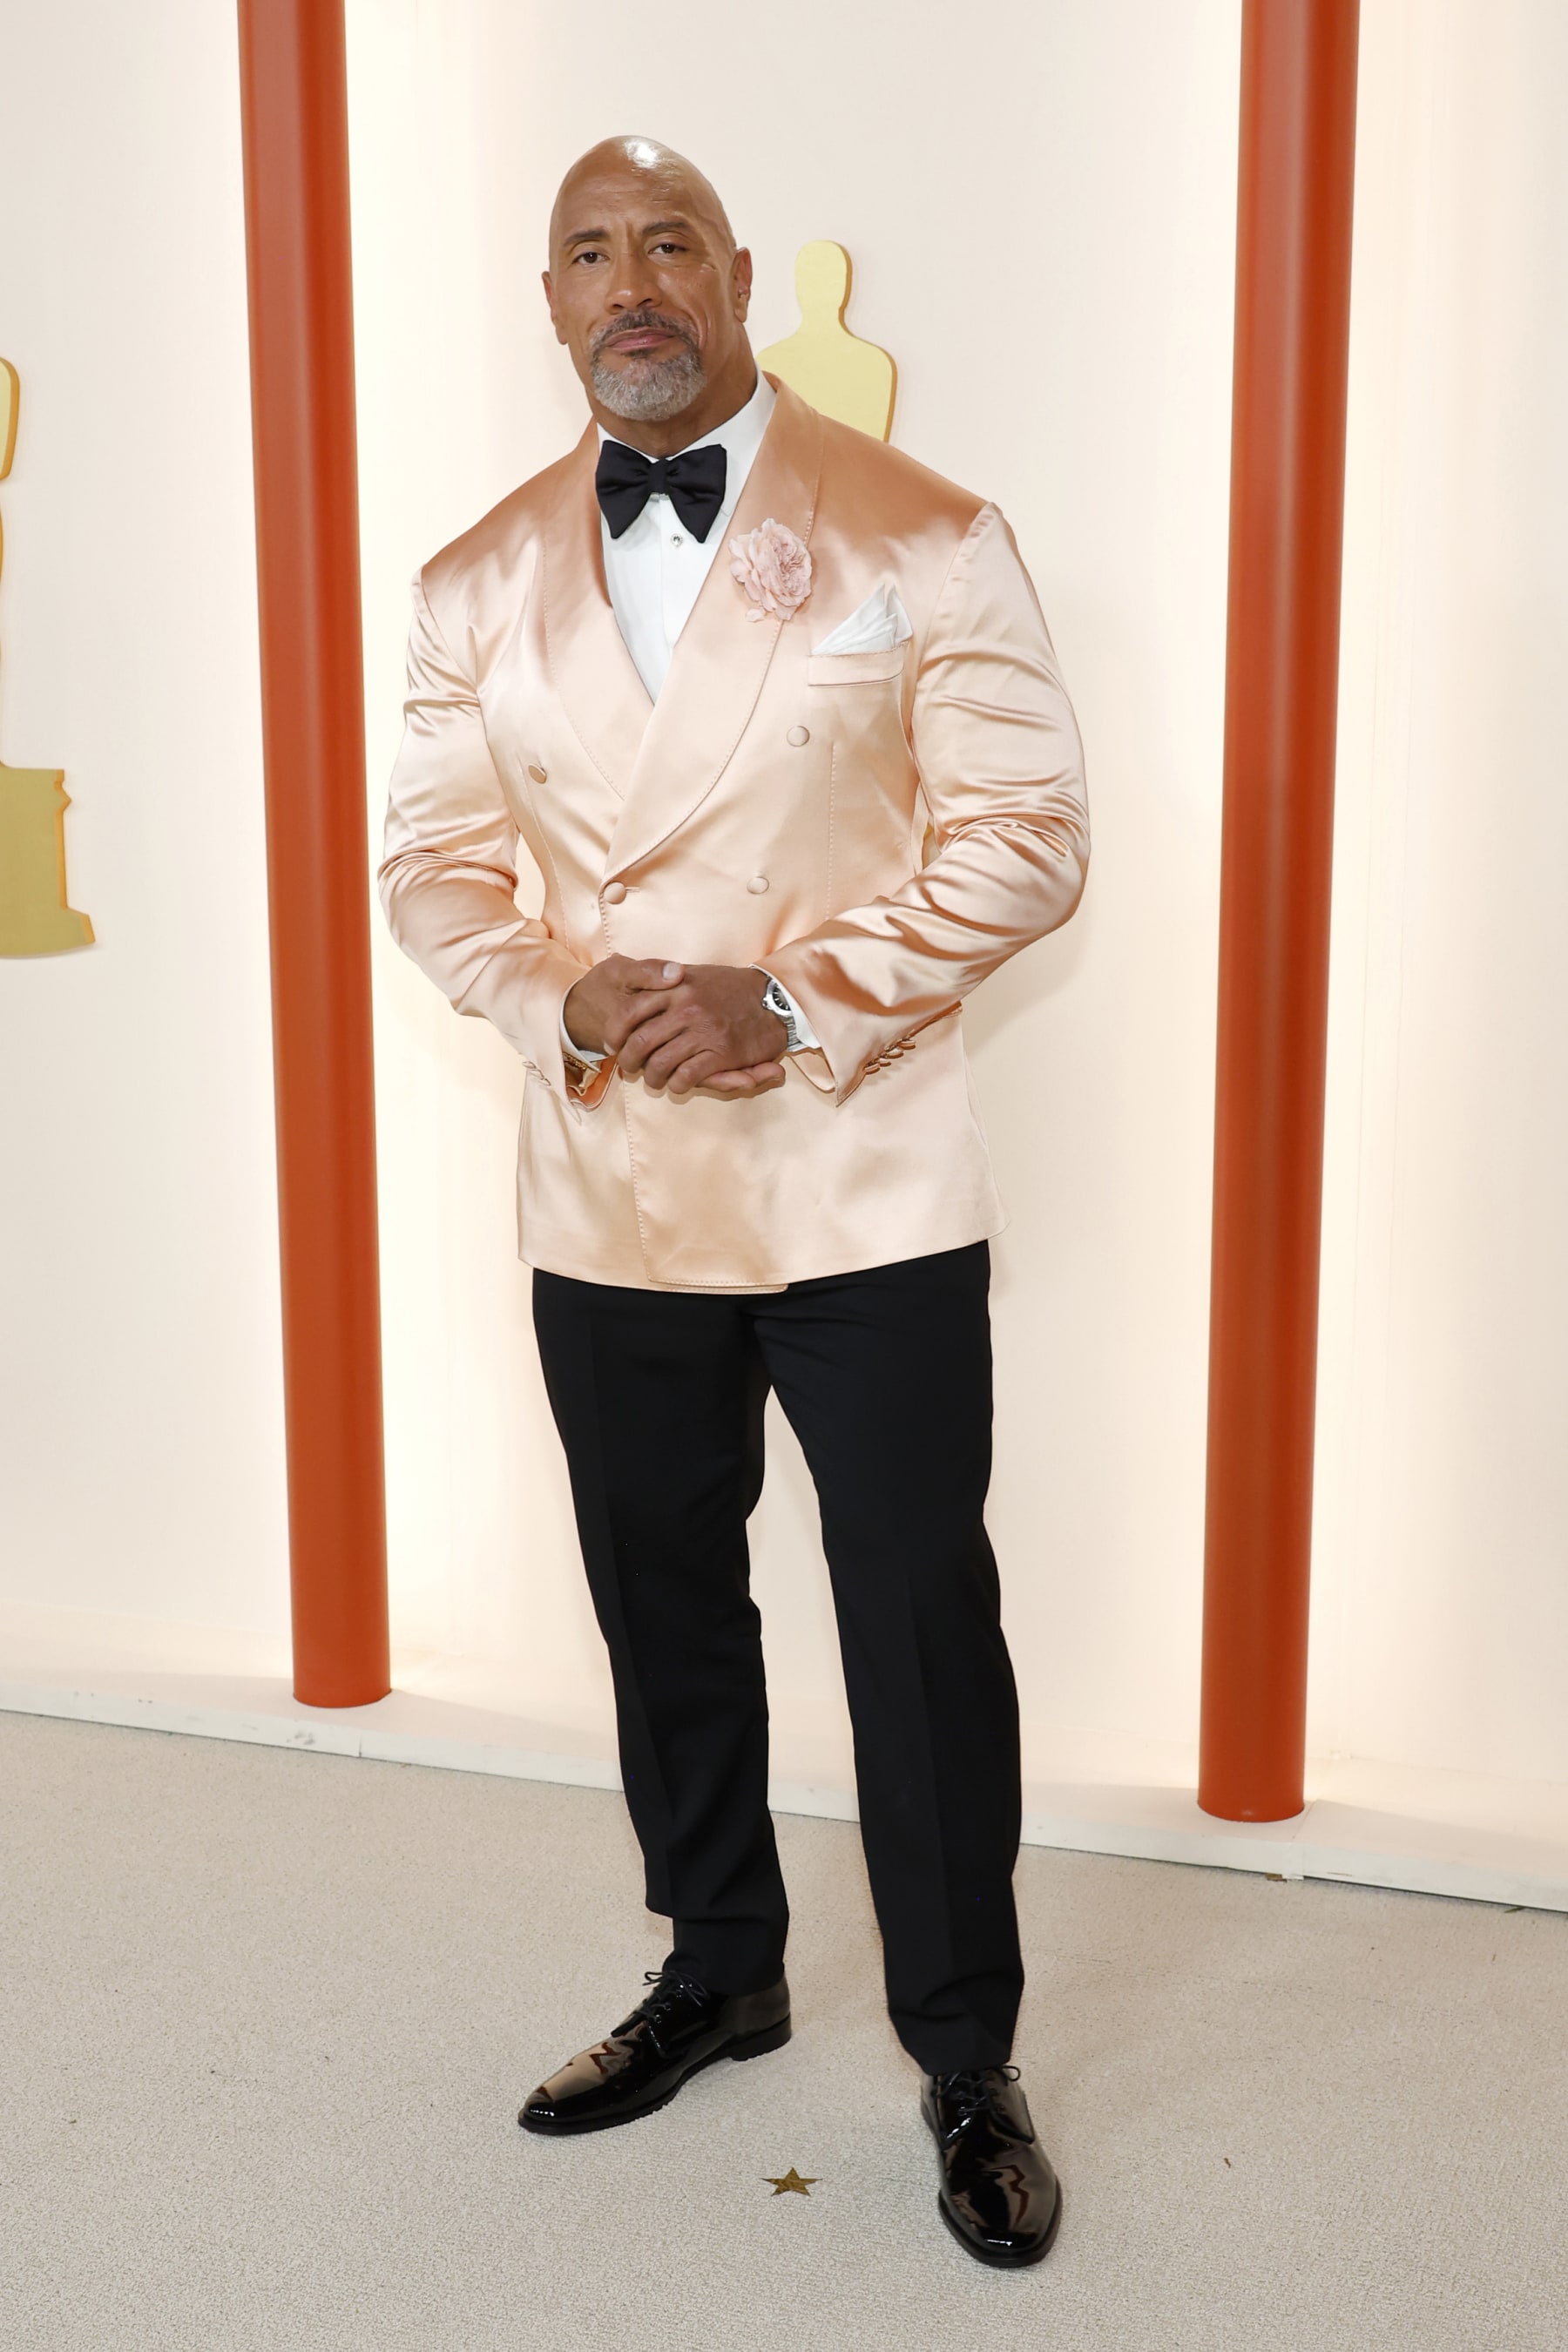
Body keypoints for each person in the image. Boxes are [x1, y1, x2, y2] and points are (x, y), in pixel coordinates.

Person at [380, 134, 1088, 2270]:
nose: (630, 284)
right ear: (551, 300)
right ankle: (721, 1963)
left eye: (665, 242)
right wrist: (561, 990)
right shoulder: (469, 579)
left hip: (865, 1181)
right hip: (609, 1187)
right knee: (661, 1602)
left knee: (915, 1624)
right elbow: (428, 869)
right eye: (588, 252)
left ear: (739, 274)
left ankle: (966, 2050)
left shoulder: (925, 530)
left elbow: (1033, 834)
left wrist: (793, 995)